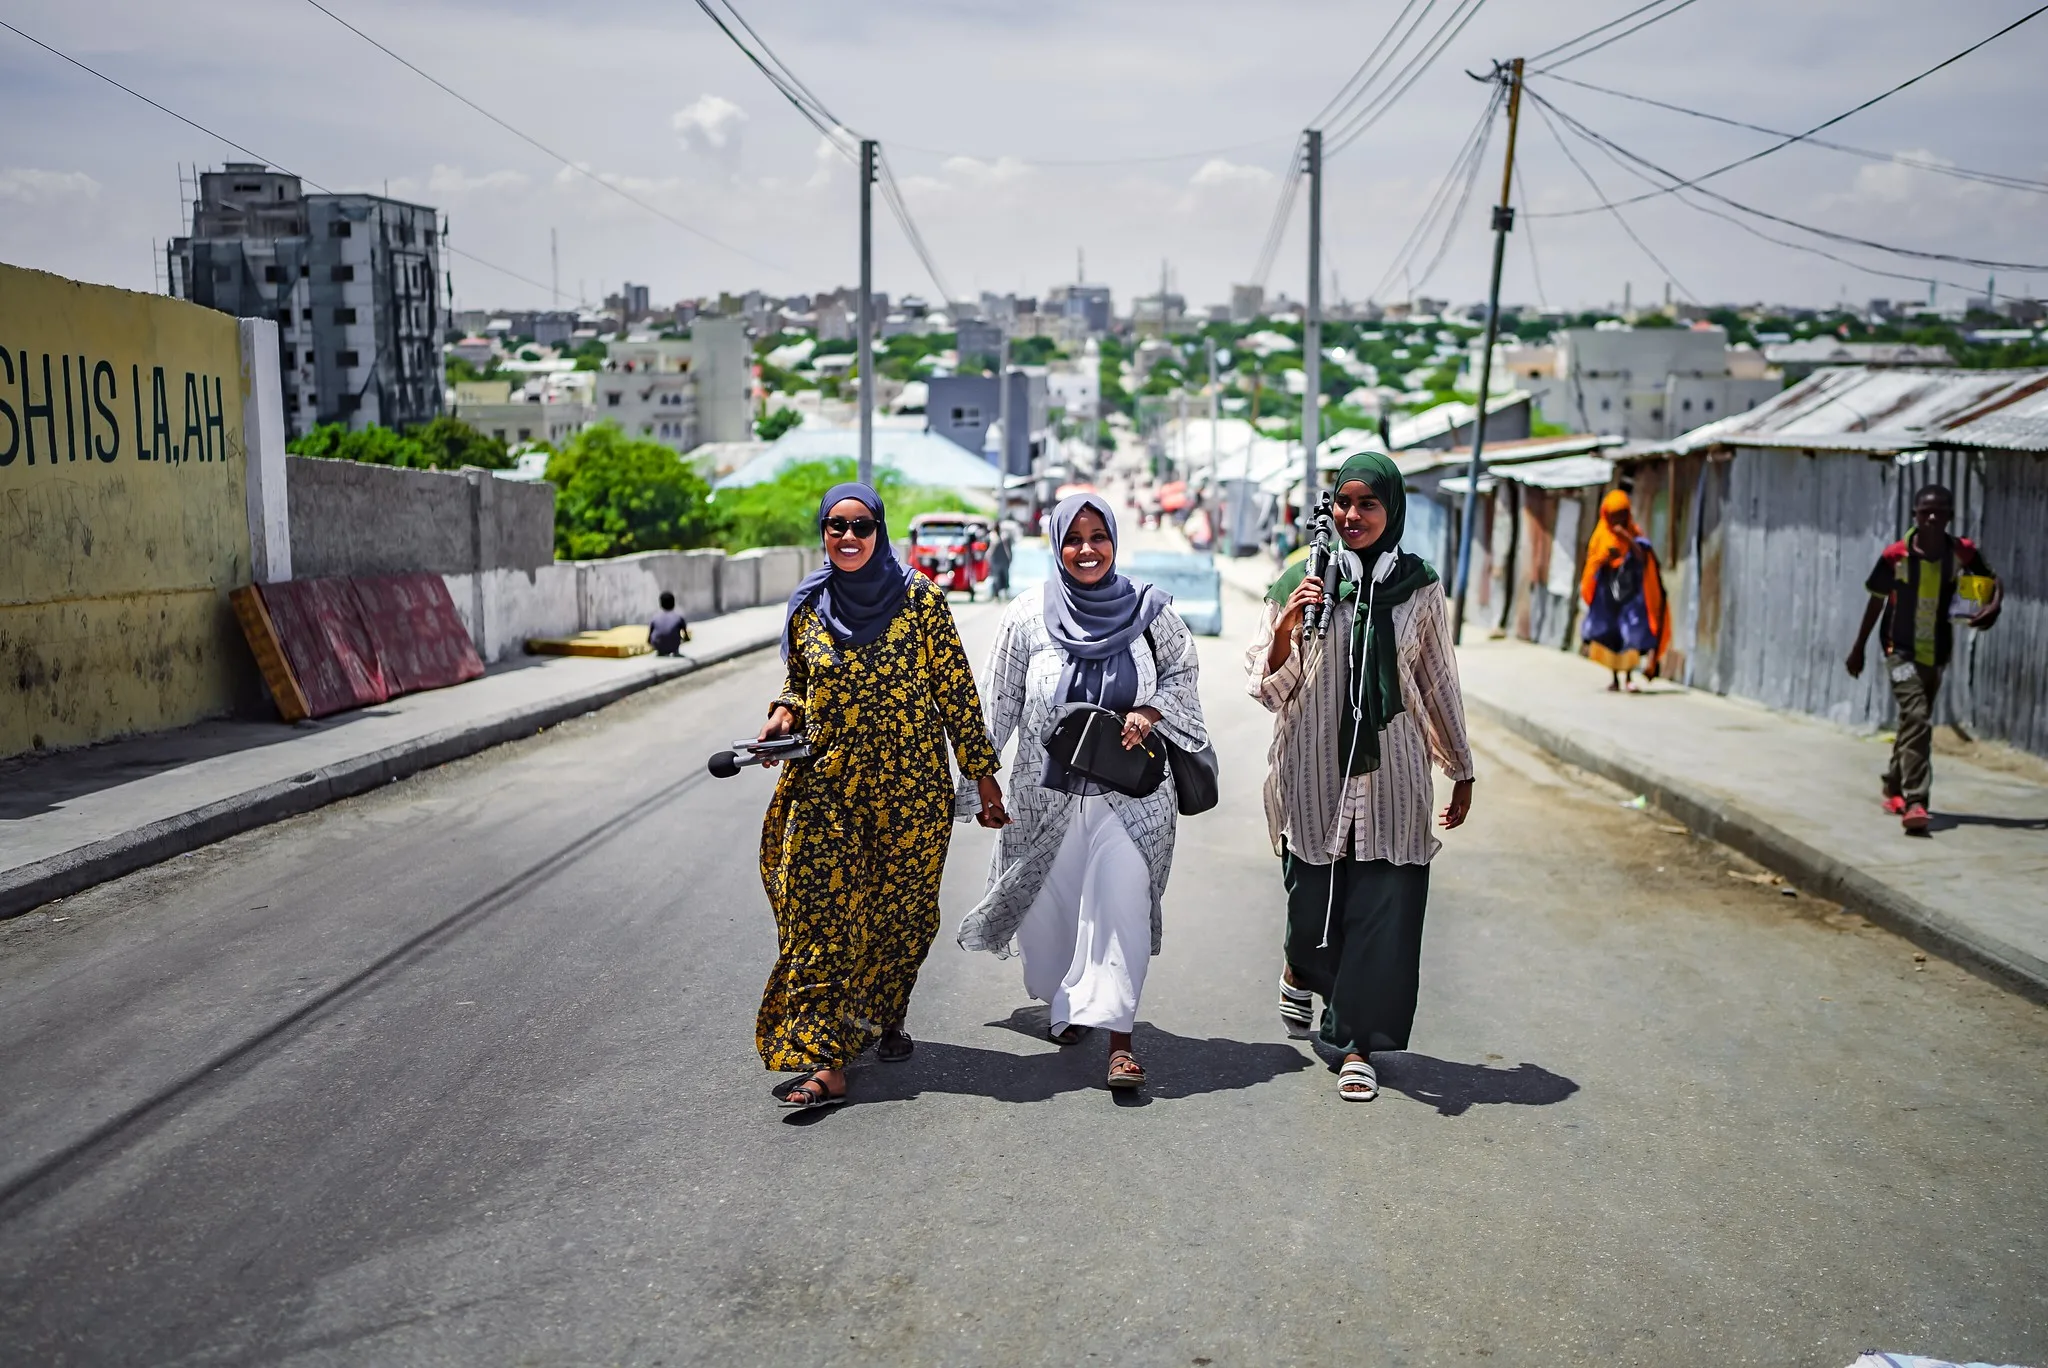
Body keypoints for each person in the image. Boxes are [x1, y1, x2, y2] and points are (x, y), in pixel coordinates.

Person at [754, 482, 1006, 1109]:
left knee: (901, 918)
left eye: (860, 526)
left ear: (879, 530)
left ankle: (877, 1016)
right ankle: (824, 1060)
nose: (847, 538)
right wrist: (783, 714)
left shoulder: (921, 600)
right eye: (835, 526)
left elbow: (956, 692)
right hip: (827, 789)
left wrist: (982, 775)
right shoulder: (810, 606)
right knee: (818, 919)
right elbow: (798, 679)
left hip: (911, 795)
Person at [957, 493, 1208, 1091]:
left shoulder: (1152, 613)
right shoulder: (1025, 617)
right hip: (1045, 796)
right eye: (1074, 538)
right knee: (1052, 913)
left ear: (1115, 541)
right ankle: (1068, 1002)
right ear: (1056, 545)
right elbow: (998, 707)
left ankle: (1120, 1039)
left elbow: (1185, 677)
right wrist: (980, 787)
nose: (1087, 549)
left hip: (1135, 797)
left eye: (1099, 536)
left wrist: (1151, 708)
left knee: (1120, 905)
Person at [1246, 452, 1475, 1103]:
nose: (1352, 516)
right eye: (1343, 503)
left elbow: (1436, 681)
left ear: (1390, 510)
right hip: (1312, 772)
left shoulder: (1420, 587)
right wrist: (1291, 621)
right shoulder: (1300, 577)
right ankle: (1300, 966)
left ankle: (1356, 1044)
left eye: (1367, 504)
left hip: (1395, 776)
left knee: (1383, 911)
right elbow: (1267, 688)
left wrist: (1460, 767)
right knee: (1311, 905)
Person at [1846, 483, 2002, 835]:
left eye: (1940, 511)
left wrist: (1993, 605)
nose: (1932, 518)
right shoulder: (1895, 556)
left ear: (1949, 516)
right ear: (1914, 515)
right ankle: (1916, 802)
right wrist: (1858, 648)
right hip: (1898, 651)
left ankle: (1893, 784)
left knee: (1912, 723)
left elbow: (1990, 580)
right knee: (1917, 716)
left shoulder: (1960, 552)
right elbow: (1876, 602)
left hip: (1937, 653)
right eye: (1925, 512)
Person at [1579, 488, 1668, 692]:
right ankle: (1614, 678)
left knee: (1631, 635)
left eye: (1622, 515)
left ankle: (1628, 676)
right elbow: (1592, 564)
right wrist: (1605, 560)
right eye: (1614, 516)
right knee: (1611, 636)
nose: (1618, 520)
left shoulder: (1634, 534)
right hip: (1608, 596)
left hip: (1630, 595)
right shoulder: (1600, 536)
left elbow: (1644, 556)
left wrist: (1626, 538)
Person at [648, 591, 691, 657]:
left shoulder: (654, 618)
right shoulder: (679, 617)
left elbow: (649, 639)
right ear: (673, 603)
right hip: (673, 646)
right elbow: (686, 637)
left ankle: (661, 651)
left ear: (660, 604)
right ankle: (673, 649)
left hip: (658, 646)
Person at [988, 522, 1014, 601]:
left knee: (1000, 578)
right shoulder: (995, 537)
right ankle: (998, 595)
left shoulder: (1001, 537)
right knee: (1000, 578)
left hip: (999, 560)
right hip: (999, 561)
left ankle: (999, 595)